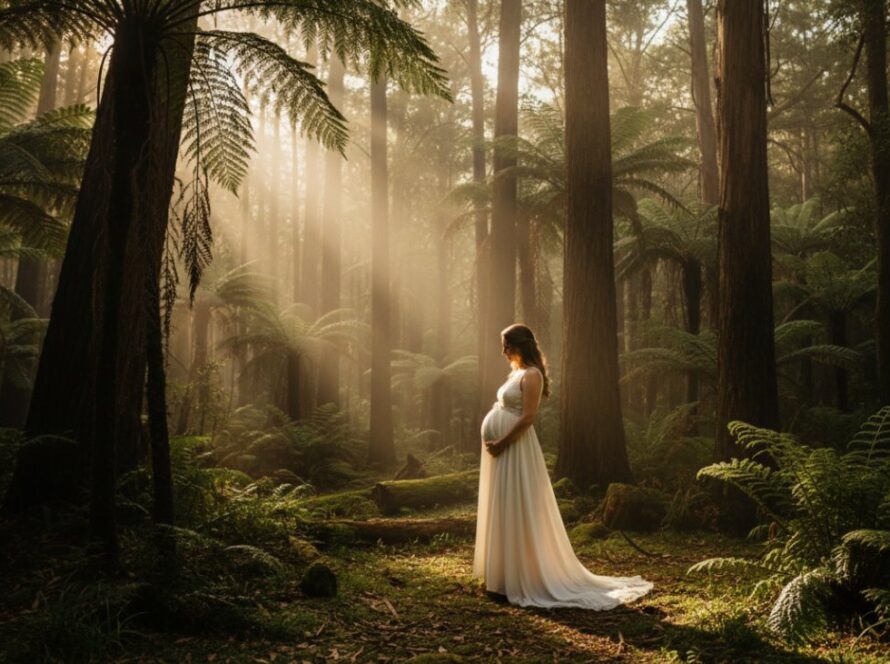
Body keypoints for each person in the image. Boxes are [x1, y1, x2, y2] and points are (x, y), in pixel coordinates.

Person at [473, 323, 653, 609]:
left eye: (507, 344)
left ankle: (519, 578)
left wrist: (502, 442)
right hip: (502, 451)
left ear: (521, 345)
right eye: (503, 344)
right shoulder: (516, 373)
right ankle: (502, 577)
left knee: (517, 506)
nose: (503, 350)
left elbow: (528, 417)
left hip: (514, 449)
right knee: (503, 504)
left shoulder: (532, 376)